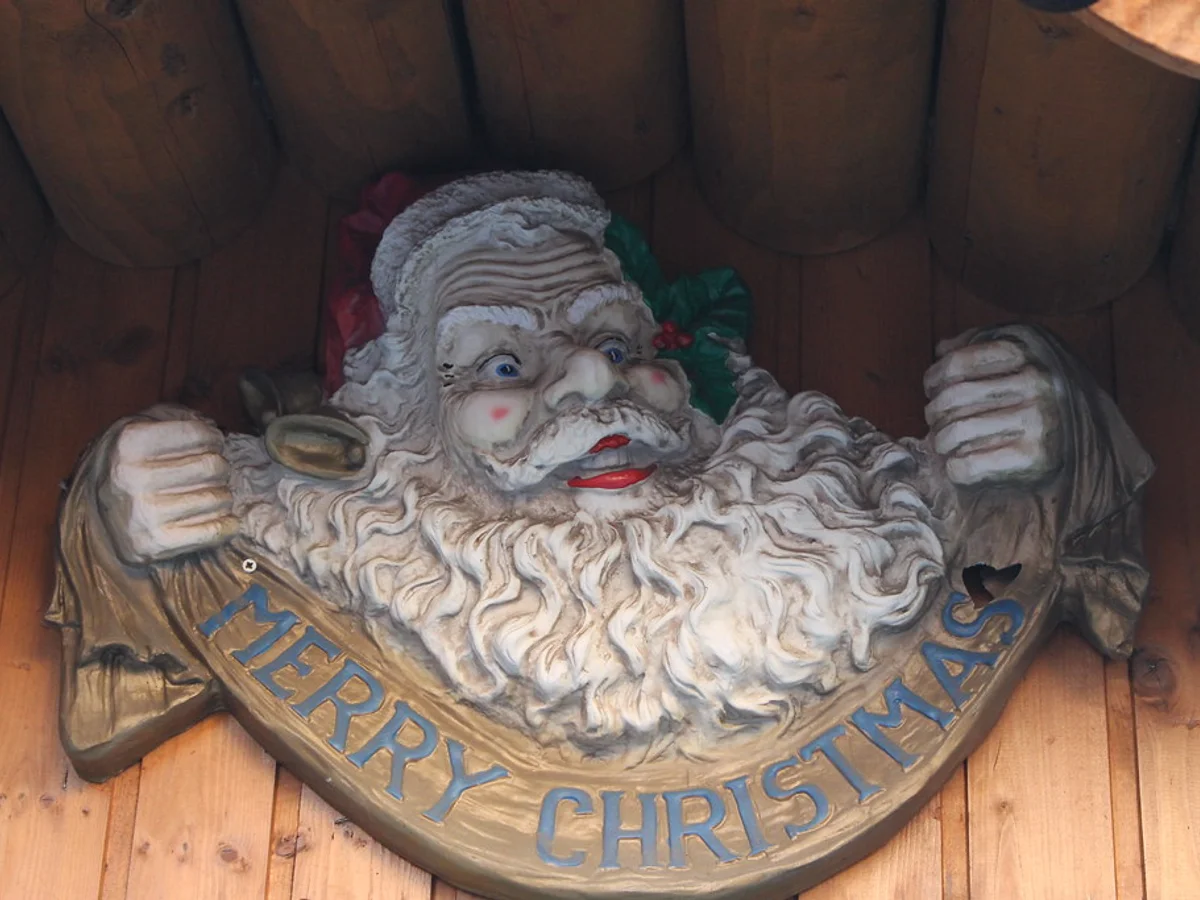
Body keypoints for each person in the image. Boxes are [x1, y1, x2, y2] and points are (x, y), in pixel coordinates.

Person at [52, 171, 1152, 760]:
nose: (590, 382)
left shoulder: (836, 519)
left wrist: (1054, 436)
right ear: (395, 425)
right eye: (501, 360)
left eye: (618, 340)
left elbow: (1027, 547)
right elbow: (147, 604)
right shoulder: (316, 534)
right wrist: (123, 519)